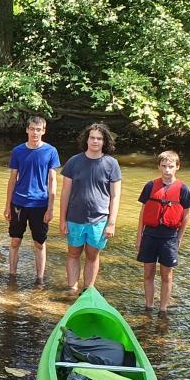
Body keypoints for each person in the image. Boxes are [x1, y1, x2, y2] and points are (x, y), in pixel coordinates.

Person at [59, 123, 122, 294]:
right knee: (73, 254)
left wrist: (112, 223)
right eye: (92, 138)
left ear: (104, 142)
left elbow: (115, 196)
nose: (95, 141)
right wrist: (62, 220)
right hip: (74, 218)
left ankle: (88, 291)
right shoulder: (74, 162)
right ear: (86, 140)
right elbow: (65, 193)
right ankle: (72, 289)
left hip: (100, 220)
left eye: (99, 139)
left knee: (92, 256)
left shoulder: (111, 164)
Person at [3, 116, 61, 283]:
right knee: (15, 240)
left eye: (38, 129)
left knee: (39, 243)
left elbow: (52, 180)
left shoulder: (51, 151)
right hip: (19, 202)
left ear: (43, 131)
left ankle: (40, 279)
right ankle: (12, 276)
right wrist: (7, 205)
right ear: (27, 130)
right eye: (32, 129)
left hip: (40, 204)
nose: (35, 133)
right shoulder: (18, 151)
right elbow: (12, 179)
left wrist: (51, 208)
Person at [136, 150, 190, 313]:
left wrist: (179, 239)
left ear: (177, 167)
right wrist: (139, 237)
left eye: (171, 166)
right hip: (150, 235)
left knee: (166, 274)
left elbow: (186, 215)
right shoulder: (150, 186)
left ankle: (163, 309)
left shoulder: (183, 189)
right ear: (159, 167)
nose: (167, 170)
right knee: (148, 272)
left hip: (169, 237)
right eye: (164, 166)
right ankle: (149, 306)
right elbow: (143, 212)